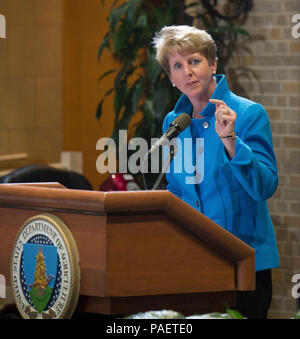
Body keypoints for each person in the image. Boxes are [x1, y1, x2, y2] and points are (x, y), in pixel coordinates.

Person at [153, 25, 279, 319]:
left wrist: (231, 140)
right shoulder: (175, 123)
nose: (188, 72)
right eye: (178, 66)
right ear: (171, 78)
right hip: (193, 261)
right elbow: (177, 190)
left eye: (195, 61)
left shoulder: (248, 114)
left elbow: (264, 187)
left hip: (244, 259)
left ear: (213, 64)